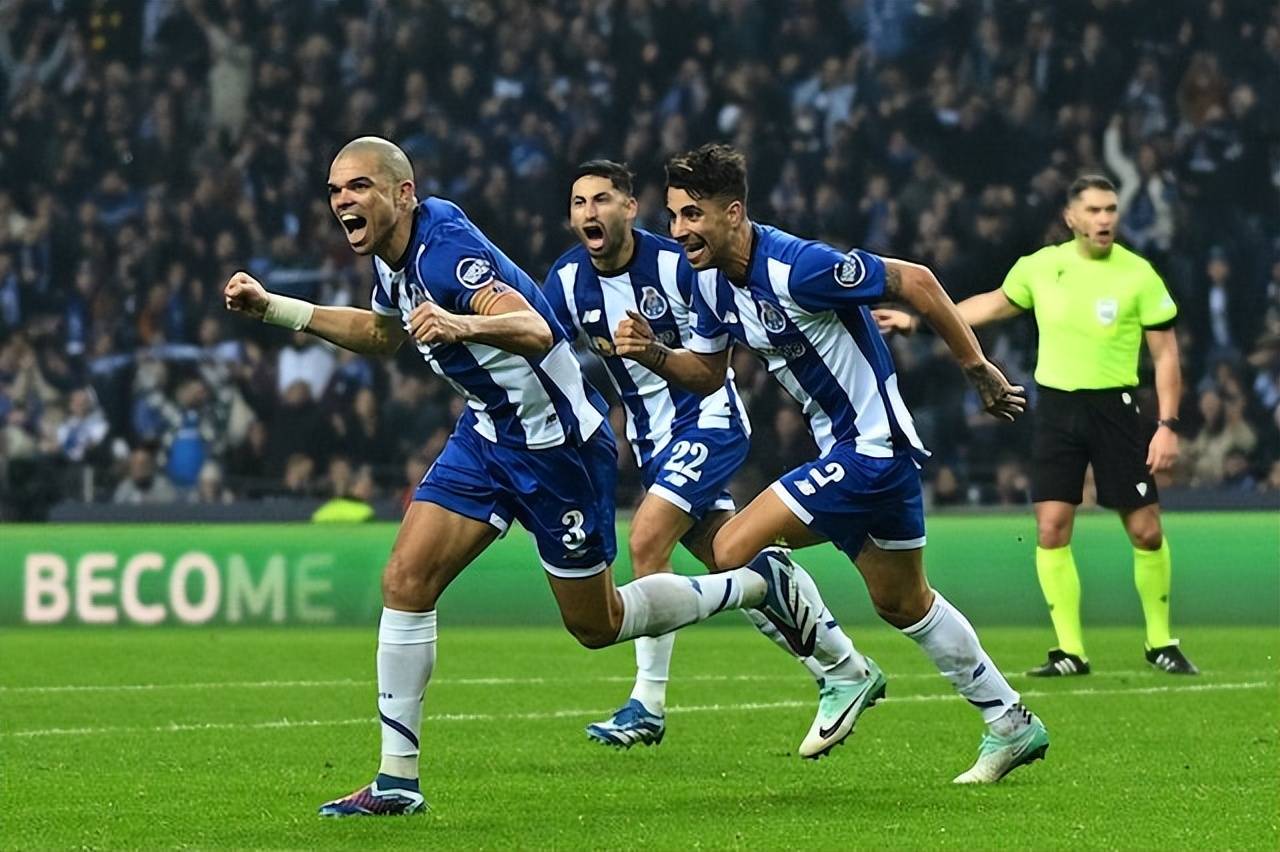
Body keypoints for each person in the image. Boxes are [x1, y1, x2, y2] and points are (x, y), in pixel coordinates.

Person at [224, 137, 824, 817]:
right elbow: (383, 335)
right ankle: (396, 780)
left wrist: (458, 323)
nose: (342, 201)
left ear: (403, 193)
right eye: (335, 190)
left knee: (597, 624)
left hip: (557, 448)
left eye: (358, 187)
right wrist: (275, 308)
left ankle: (754, 584)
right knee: (406, 581)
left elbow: (535, 329)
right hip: (487, 435)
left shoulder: (446, 252)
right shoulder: (395, 260)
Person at [614, 143, 1047, 784]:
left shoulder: (800, 267)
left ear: (733, 212)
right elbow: (706, 374)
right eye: (674, 216)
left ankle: (841, 671)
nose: (678, 231)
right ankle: (1010, 722)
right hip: (857, 455)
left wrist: (977, 366)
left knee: (731, 548)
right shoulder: (707, 282)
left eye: (692, 215)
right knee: (903, 603)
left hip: (870, 450)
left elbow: (918, 282)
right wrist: (653, 353)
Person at [544, 160, 879, 756]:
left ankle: (647, 703)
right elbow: (543, 352)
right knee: (734, 559)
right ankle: (843, 665)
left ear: (629, 208)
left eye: (602, 199)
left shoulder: (678, 265)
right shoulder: (567, 282)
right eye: (578, 203)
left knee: (647, 539)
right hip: (650, 442)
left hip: (707, 419)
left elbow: (721, 344)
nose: (589, 212)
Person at [876, 175, 1198, 677]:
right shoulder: (1042, 267)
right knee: (1051, 529)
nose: (1104, 219)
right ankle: (1070, 651)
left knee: (1146, 530)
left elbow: (1167, 357)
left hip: (1116, 409)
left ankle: (1160, 642)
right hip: (1058, 410)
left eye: (1110, 209)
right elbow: (990, 305)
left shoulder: (1138, 275)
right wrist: (920, 322)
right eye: (1093, 210)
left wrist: (1168, 424)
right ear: (1071, 217)